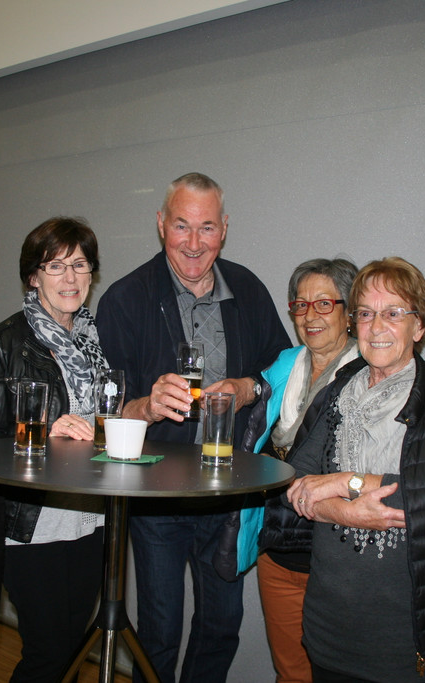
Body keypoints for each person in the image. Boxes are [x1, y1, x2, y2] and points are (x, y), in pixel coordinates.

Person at [97, 172, 291, 682]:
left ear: (224, 229)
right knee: (159, 632)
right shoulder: (125, 298)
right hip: (156, 496)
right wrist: (146, 404)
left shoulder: (248, 290)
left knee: (222, 626)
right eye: (182, 226)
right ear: (161, 224)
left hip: (229, 491)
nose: (194, 243)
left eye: (206, 228)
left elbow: (283, 370)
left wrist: (249, 386)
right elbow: (102, 410)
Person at [286, 257, 425, 683]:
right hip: (330, 626)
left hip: (404, 632)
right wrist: (345, 510)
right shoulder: (337, 392)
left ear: (419, 327)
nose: (376, 326)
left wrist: (343, 482)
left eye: (393, 313)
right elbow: (295, 481)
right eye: (365, 313)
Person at [0, 216, 108, 683]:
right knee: (48, 653)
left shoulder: (97, 342)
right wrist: (42, 432)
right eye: (55, 266)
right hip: (32, 524)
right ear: (33, 277)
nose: (70, 277)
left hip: (91, 517)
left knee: (72, 651)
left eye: (80, 264)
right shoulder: (3, 343)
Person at [233, 257, 359, 683]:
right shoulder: (287, 364)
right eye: (301, 305)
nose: (310, 316)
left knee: (338, 672)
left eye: (324, 304)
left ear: (349, 311)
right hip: (281, 549)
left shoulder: (368, 372)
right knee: (291, 671)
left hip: (338, 552)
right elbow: (256, 399)